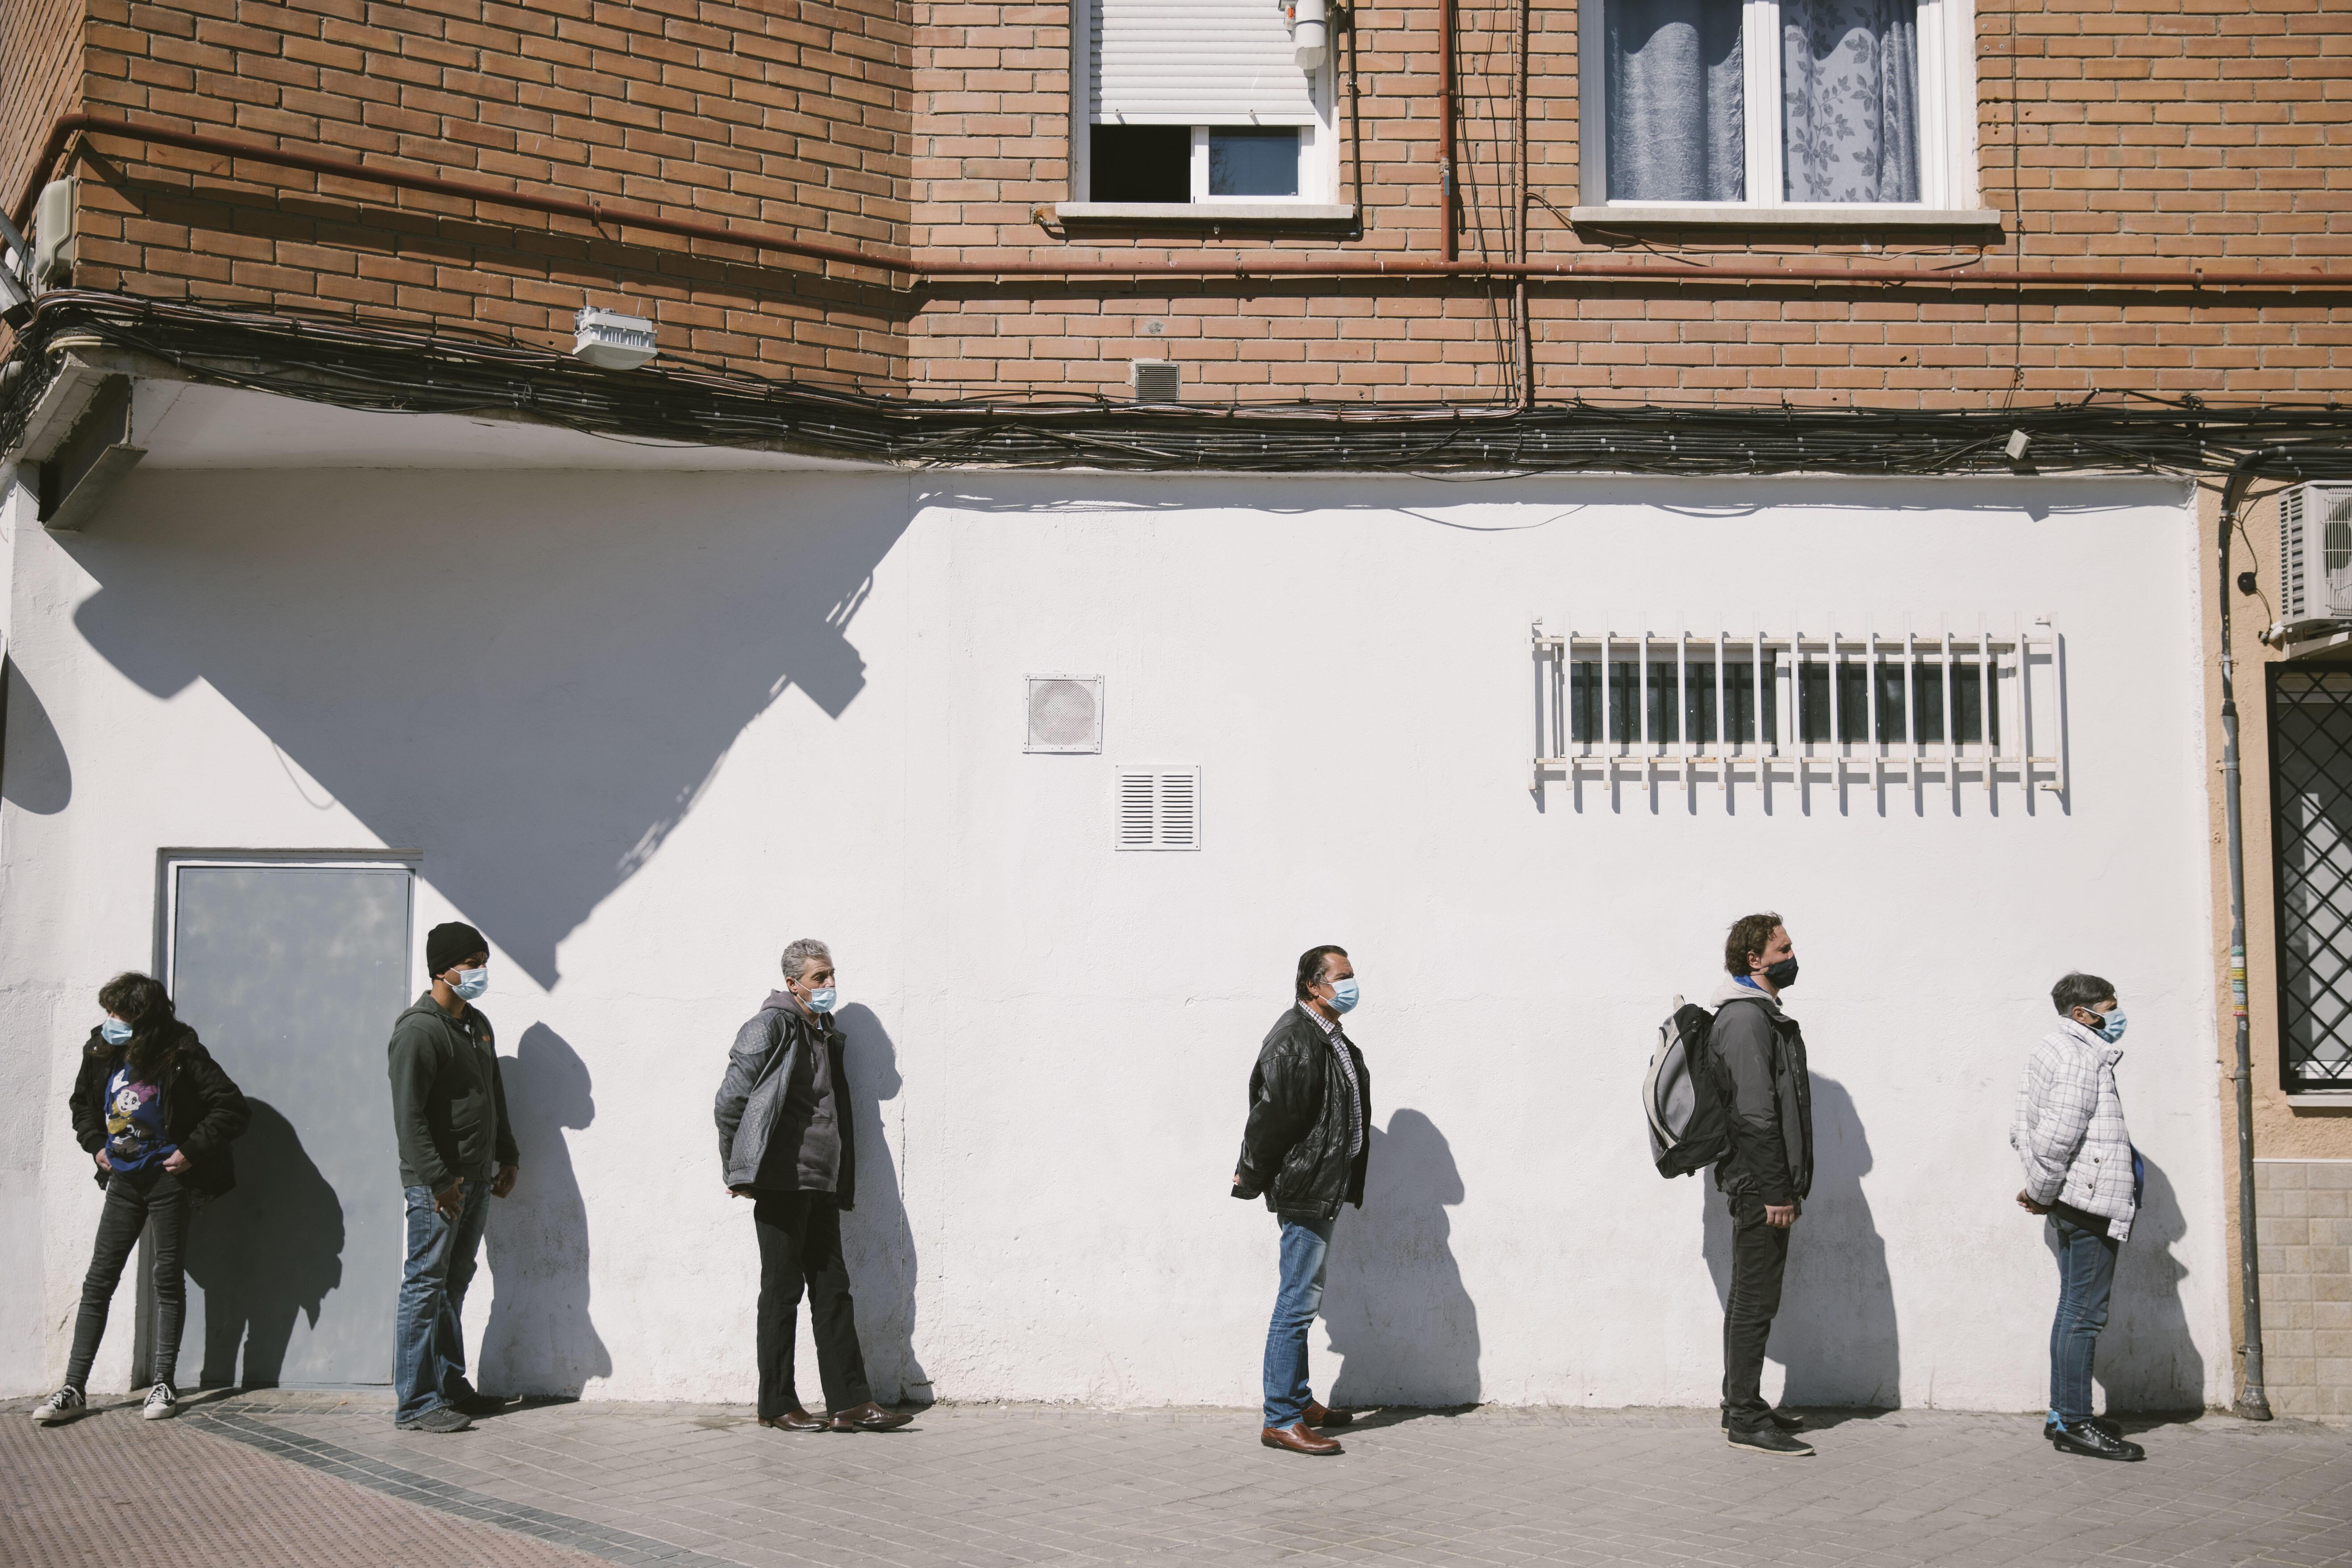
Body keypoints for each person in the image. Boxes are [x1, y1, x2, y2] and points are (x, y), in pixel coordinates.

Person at [33, 973, 250, 1425]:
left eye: (120, 1015)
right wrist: (95, 1144)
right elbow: (82, 1105)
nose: (110, 1022)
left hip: (166, 1183)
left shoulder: (181, 1052)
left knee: (166, 1278)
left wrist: (189, 1152)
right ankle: (74, 1388)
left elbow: (230, 1106)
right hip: (124, 1183)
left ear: (144, 1019)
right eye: (109, 1013)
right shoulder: (101, 1049)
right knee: (100, 1281)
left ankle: (163, 1383)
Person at [715, 938, 910, 1434]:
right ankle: (776, 1403)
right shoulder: (771, 1026)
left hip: (821, 1179)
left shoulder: (823, 1032)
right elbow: (731, 1101)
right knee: (781, 1292)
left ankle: (849, 1402)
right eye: (819, 978)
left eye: (831, 975)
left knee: (833, 1289)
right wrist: (737, 1169)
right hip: (783, 1179)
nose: (828, 985)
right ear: (792, 983)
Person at [1232, 944, 1371, 1457]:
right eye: (1342, 977)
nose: (1351, 985)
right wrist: (1250, 1174)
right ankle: (1281, 1419)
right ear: (1314, 985)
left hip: (1321, 1183)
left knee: (1305, 1295)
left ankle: (1299, 1400)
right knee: (1296, 1301)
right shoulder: (1296, 1039)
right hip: (1306, 1186)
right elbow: (1270, 1119)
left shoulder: (1326, 1035)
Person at [388, 921, 520, 1433]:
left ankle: (450, 1386)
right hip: (437, 1186)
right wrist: (439, 1181)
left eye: (483, 961)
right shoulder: (419, 1031)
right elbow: (409, 1118)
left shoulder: (477, 1024)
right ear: (442, 969)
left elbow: (494, 1095)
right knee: (424, 1287)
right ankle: (416, 1403)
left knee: (454, 1285)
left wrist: (506, 1155)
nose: (480, 972)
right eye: (471, 964)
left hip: (475, 1177)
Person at [2011, 972, 2145, 1462]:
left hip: (2074, 1197)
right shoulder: (2078, 1057)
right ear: (2083, 1014)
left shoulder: (2059, 1049)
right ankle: (2074, 1422)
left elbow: (2031, 1128)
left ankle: (2061, 1412)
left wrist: (2045, 1192)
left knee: (2073, 1309)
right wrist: (2041, 1193)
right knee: (2084, 1316)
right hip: (2085, 1201)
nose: (2118, 1015)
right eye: (2111, 1007)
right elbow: (2054, 1139)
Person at [1710, 913, 1815, 1457]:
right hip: (1759, 1186)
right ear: (1755, 960)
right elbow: (1754, 1115)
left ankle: (1742, 1404)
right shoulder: (1746, 1021)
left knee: (1754, 1296)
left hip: (1764, 1183)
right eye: (1784, 947)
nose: (1793, 955)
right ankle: (1745, 1418)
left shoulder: (1760, 1016)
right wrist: (1776, 1190)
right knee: (1754, 1299)